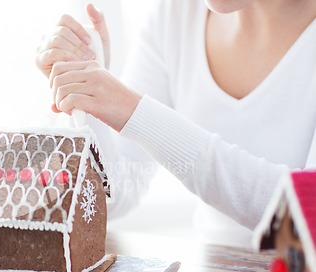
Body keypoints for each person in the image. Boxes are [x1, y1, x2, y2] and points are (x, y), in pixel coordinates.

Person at [35, 1, 316, 248]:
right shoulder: (175, 14)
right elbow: (115, 194)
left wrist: (134, 112)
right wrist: (88, 105)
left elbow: (303, 212)